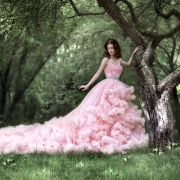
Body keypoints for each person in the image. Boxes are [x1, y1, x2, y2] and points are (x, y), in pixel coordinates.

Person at [0, 39, 148, 154]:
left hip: (118, 88)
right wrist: (88, 85)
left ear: (116, 48)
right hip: (106, 87)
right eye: (108, 48)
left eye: (112, 48)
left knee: (117, 115)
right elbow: (97, 73)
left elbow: (127, 64)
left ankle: (115, 138)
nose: (110, 50)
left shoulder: (119, 60)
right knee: (101, 113)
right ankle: (99, 137)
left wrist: (134, 53)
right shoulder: (106, 60)